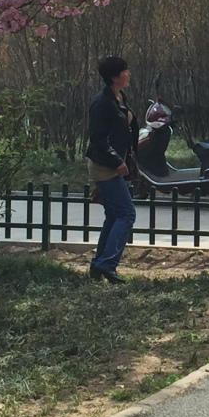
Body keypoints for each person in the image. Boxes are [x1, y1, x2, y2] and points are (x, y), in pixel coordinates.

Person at [87, 55, 139, 283]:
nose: (129, 74)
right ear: (114, 77)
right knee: (127, 214)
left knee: (113, 216)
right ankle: (108, 265)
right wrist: (117, 161)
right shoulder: (102, 102)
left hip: (115, 163)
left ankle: (99, 265)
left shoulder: (119, 97)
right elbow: (97, 138)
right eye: (125, 71)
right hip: (104, 166)